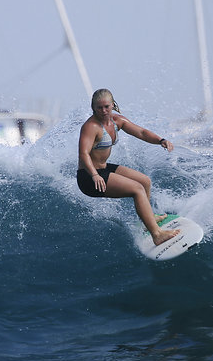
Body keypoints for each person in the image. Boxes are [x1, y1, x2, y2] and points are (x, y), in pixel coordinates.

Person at [77, 88, 180, 246]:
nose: (104, 110)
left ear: (113, 105)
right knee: (137, 189)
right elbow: (83, 154)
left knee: (144, 181)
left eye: (107, 106)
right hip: (89, 177)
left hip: (103, 169)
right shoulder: (91, 127)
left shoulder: (117, 121)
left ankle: (149, 219)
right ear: (93, 107)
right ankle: (156, 234)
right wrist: (95, 175)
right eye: (99, 107)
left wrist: (161, 140)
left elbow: (142, 132)